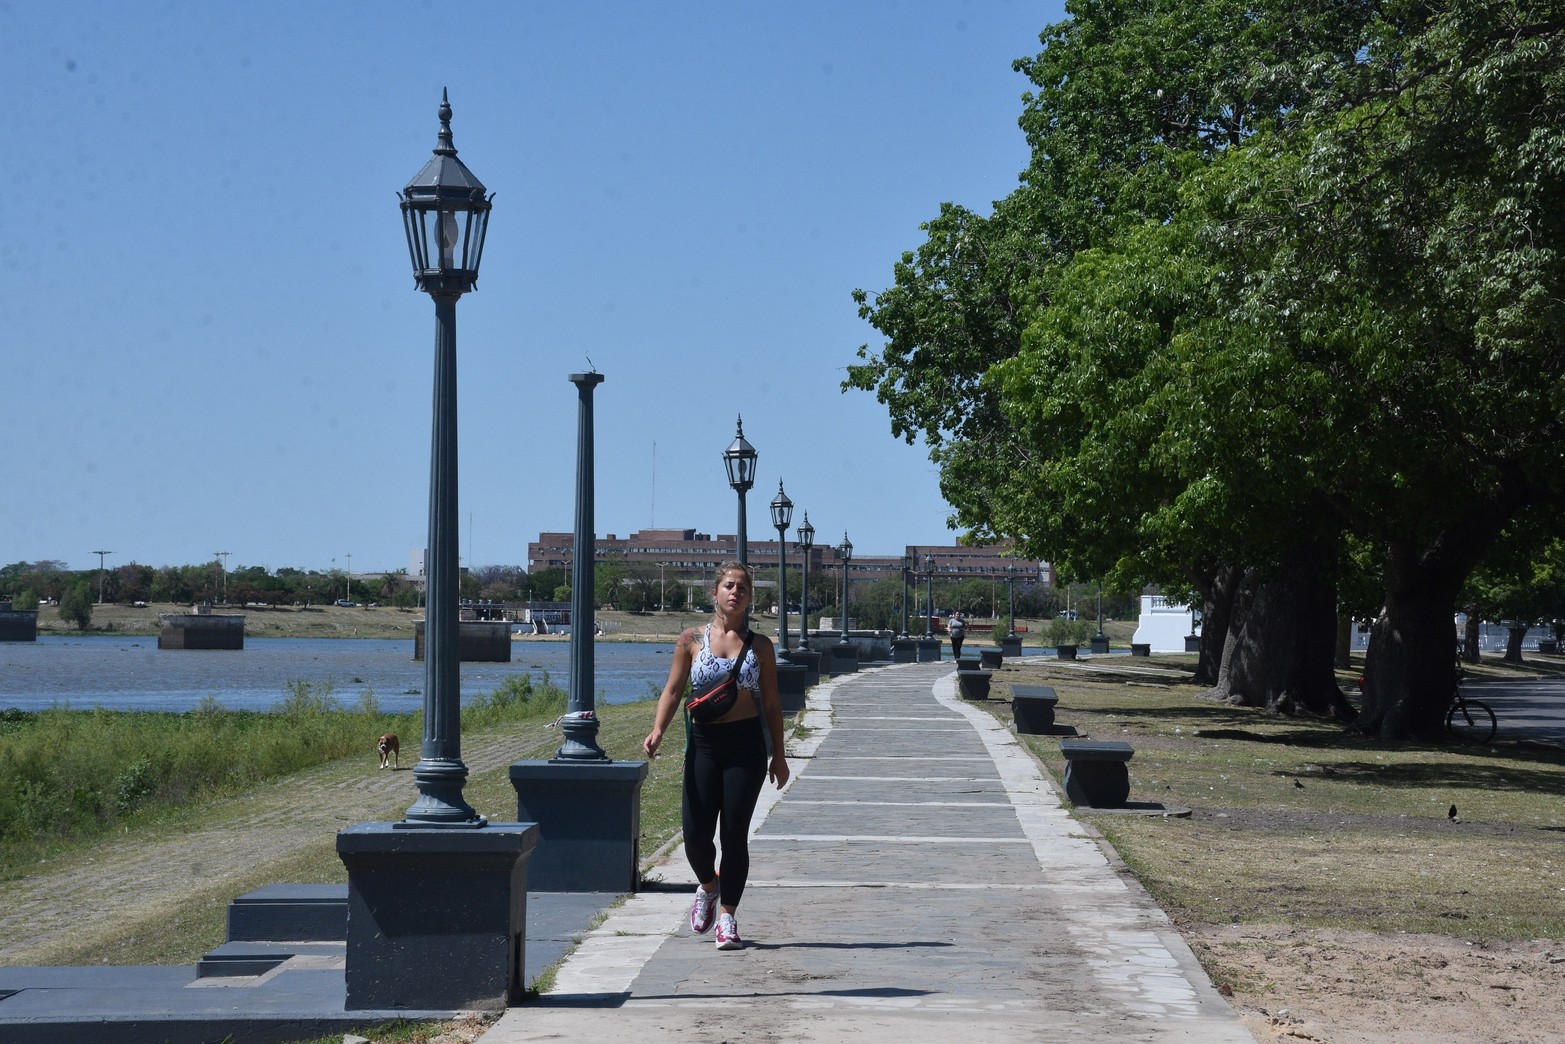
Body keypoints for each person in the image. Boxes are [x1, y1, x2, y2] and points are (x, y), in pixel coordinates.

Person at [643, 562, 790, 951]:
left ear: (749, 597)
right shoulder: (690, 639)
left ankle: (728, 918)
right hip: (704, 745)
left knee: (734, 836)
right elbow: (673, 690)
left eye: (742, 588)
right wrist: (658, 730)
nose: (735, 592)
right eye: (729, 585)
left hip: (746, 746)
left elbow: (772, 704)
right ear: (715, 592)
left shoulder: (761, 646)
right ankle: (708, 886)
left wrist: (779, 755)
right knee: (695, 835)